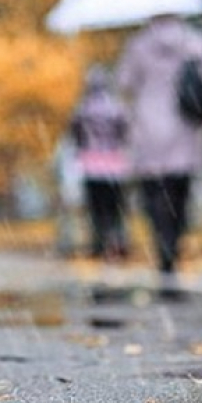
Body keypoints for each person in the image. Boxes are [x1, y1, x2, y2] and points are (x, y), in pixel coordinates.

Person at [115, 14, 202, 292]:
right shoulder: (196, 43)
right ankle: (172, 249)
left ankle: (162, 248)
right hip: (184, 131)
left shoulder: (139, 44)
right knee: (179, 197)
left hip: (148, 129)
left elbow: (124, 82)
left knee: (154, 198)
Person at [70, 65, 131, 260]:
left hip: (91, 166)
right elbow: (124, 132)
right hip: (115, 165)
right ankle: (118, 241)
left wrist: (86, 147)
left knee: (97, 208)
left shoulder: (83, 109)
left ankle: (100, 243)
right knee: (116, 208)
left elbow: (76, 134)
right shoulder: (116, 107)